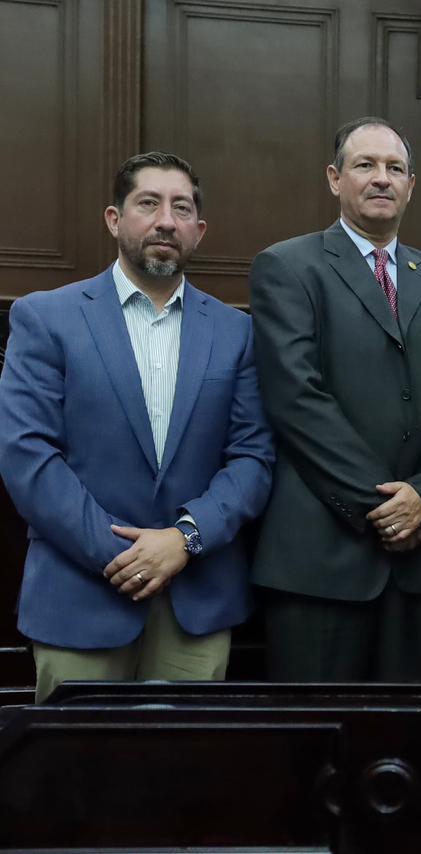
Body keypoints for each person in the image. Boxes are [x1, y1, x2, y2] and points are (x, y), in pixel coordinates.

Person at [0, 152, 274, 701]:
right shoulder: (45, 318)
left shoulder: (236, 332)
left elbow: (253, 457)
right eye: (149, 203)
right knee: (75, 757)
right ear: (114, 219)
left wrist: (184, 540)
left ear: (199, 230)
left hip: (196, 602)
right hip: (80, 597)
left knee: (187, 755)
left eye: (181, 208)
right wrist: (126, 557)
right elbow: (28, 456)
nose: (166, 220)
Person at [249, 117, 421, 682]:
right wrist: (385, 507)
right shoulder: (288, 268)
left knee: (412, 730)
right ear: (334, 178)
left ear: (411, 185)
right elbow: (296, 400)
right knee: (314, 731)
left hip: (419, 564)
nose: (381, 178)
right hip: (319, 560)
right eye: (365, 165)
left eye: (395, 168)